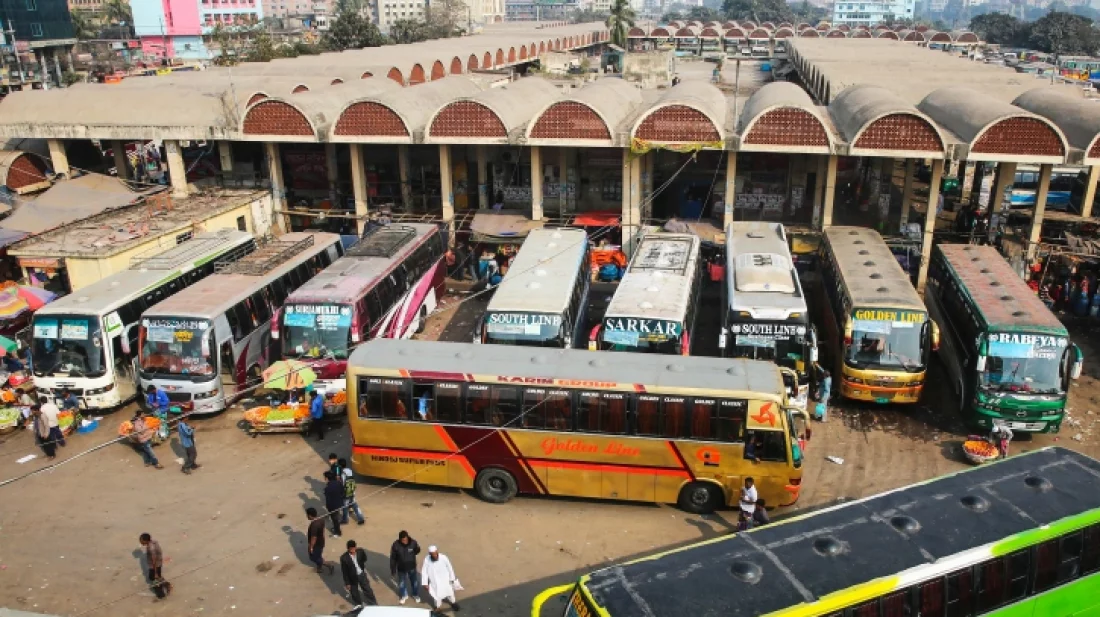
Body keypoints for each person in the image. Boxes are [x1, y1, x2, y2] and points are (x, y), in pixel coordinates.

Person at [421, 545, 460, 611]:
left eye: (436, 553)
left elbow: (449, 567)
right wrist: (425, 583)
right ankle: (437, 607)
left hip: (445, 580)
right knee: (436, 596)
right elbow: (424, 571)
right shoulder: (427, 559)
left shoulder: (443, 557)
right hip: (435, 582)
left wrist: (452, 578)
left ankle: (453, 603)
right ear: (430, 554)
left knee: (450, 593)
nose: (435, 555)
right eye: (433, 554)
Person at [340, 540, 378, 608]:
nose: (353, 550)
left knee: (368, 590)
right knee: (354, 593)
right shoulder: (344, 558)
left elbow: (364, 559)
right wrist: (347, 583)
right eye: (351, 549)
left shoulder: (360, 552)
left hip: (361, 574)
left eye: (354, 548)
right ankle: (359, 605)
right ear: (348, 549)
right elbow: (344, 571)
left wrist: (361, 566)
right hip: (352, 577)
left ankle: (373, 605)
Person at [390, 530, 422, 604]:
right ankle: (404, 595)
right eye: (403, 540)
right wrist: (393, 570)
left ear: (408, 537)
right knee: (401, 583)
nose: (405, 541)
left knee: (414, 582)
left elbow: (417, 551)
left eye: (406, 539)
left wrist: (418, 549)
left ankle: (415, 594)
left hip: (412, 567)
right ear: (400, 539)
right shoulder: (395, 545)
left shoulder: (413, 543)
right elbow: (393, 558)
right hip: (401, 568)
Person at [139, 533, 171, 600]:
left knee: (155, 581)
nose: (140, 541)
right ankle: (167, 584)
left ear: (146, 540)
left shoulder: (151, 548)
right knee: (153, 577)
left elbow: (154, 561)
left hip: (155, 566)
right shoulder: (153, 542)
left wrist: (155, 573)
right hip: (157, 564)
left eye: (141, 540)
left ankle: (161, 596)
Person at [306, 507, 333, 574]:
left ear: (309, 515)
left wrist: (311, 547)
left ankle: (328, 565)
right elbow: (322, 531)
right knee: (318, 555)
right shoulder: (321, 520)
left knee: (313, 558)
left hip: (316, 544)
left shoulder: (314, 525)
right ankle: (319, 568)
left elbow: (314, 538)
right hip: (321, 541)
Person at [341, 461, 365, 526]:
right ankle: (361, 518)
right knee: (354, 504)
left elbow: (343, 484)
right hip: (352, 490)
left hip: (347, 493)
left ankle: (345, 519)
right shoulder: (350, 470)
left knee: (345, 506)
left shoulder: (343, 473)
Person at [324, 470, 344, 538]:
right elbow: (342, 492)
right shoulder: (339, 483)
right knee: (336, 518)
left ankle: (338, 532)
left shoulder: (327, 488)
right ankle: (336, 529)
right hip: (339, 503)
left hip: (332, 506)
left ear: (327, 478)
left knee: (335, 519)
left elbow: (328, 500)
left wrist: (328, 507)